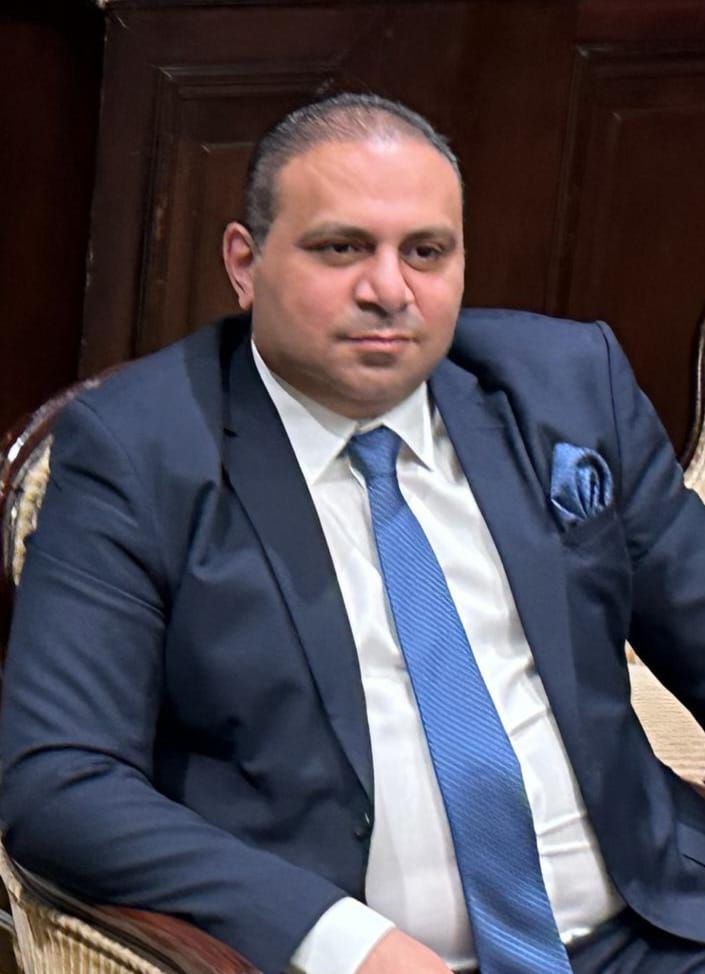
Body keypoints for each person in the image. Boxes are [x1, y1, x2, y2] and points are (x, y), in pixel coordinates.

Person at [2, 93, 705, 974]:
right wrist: (341, 940)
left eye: (425, 252)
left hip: (654, 928)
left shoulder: (562, 387)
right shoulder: (141, 451)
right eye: (341, 249)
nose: (388, 290)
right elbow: (61, 780)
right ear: (244, 263)